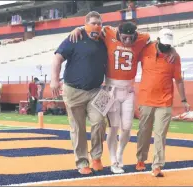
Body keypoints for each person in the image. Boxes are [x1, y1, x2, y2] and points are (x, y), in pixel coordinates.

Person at [69, 21, 176, 174]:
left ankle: (120, 156)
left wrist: (170, 50)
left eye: (130, 38)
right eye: (124, 38)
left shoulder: (142, 38)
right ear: (118, 33)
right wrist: (78, 28)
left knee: (126, 128)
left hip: (128, 90)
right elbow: (92, 29)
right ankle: (113, 160)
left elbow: (156, 46)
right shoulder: (108, 32)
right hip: (109, 90)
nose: (127, 41)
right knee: (112, 127)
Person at [50, 11, 107, 175]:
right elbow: (57, 58)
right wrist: (54, 80)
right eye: (93, 23)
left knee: (100, 122)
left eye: (99, 23)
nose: (97, 26)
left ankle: (96, 157)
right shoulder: (74, 37)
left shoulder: (104, 39)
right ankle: (82, 162)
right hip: (73, 90)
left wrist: (82, 27)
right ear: (86, 24)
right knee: (78, 127)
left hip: (97, 90)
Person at [135, 28, 190, 177]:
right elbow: (134, 42)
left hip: (165, 101)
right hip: (145, 99)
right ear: (157, 40)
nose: (166, 48)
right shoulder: (145, 49)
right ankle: (141, 159)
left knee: (160, 134)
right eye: (164, 45)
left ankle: (157, 165)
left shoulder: (174, 57)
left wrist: (184, 100)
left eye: (169, 46)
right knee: (144, 132)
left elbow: (178, 80)